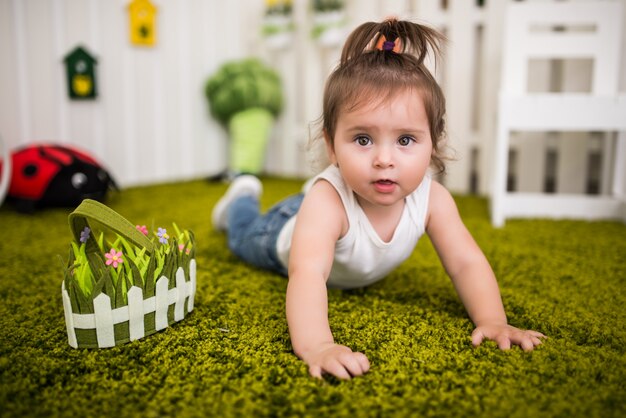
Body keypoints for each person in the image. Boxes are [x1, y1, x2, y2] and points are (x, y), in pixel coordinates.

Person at [211, 18, 546, 380]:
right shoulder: (328, 202)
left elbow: (465, 262)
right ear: (331, 145)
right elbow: (307, 273)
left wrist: (494, 321)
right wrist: (318, 345)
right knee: (241, 235)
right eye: (363, 139)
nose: (384, 159)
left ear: (432, 142)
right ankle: (242, 193)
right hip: (282, 233)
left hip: (322, 216)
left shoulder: (433, 199)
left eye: (405, 140)